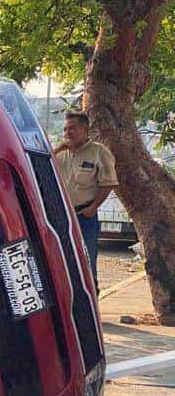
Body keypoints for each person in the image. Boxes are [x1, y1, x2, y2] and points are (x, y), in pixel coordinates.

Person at [54, 111, 118, 290]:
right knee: (63, 262)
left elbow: (108, 184)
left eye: (73, 128)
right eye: (65, 129)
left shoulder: (99, 152)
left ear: (85, 129)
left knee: (87, 262)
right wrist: (58, 149)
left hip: (85, 216)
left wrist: (93, 207)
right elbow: (38, 166)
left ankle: (91, 306)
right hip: (62, 216)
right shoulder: (60, 153)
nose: (68, 133)